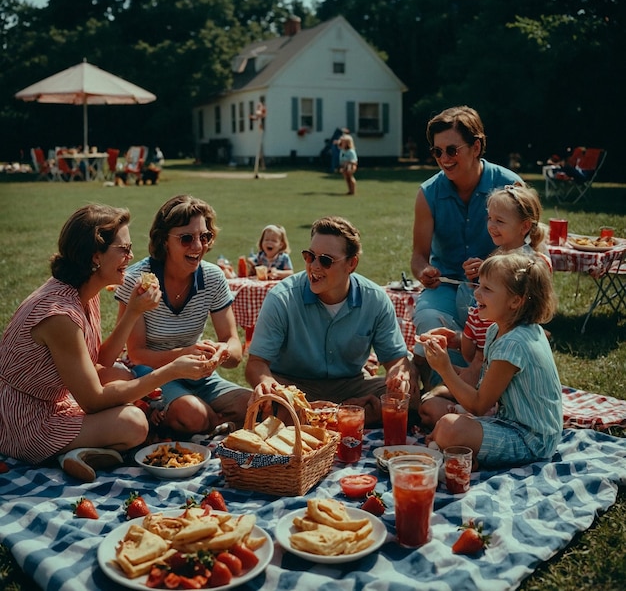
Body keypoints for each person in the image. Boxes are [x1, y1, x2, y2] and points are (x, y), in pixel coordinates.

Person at [0, 204, 214, 482]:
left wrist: (135, 311)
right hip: (23, 421)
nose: (131, 256)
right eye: (123, 250)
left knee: (119, 375)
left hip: (53, 401)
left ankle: (78, 452)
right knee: (134, 423)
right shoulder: (59, 315)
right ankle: (64, 452)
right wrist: (173, 370)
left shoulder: (84, 291)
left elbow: (99, 361)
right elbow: (92, 401)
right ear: (95, 257)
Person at [245, 216, 415, 425]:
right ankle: (350, 415)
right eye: (309, 256)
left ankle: (326, 417)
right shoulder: (282, 297)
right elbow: (256, 364)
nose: (314, 266)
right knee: (273, 404)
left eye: (325, 260)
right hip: (294, 388)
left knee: (409, 399)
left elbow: (396, 359)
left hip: (351, 384)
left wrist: (400, 375)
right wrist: (267, 382)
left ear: (351, 264)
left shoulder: (374, 299)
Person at [115, 195, 251, 436]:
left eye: (205, 237)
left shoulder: (213, 277)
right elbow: (136, 355)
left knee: (256, 407)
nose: (198, 246)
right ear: (164, 240)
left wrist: (222, 352)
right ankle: (191, 420)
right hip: (151, 373)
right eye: (186, 238)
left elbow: (234, 348)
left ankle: (206, 422)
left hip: (198, 372)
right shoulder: (138, 280)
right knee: (193, 414)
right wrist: (184, 355)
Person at [419, 182, 552, 426]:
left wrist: (448, 367)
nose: (491, 225)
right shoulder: (499, 255)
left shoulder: (531, 264)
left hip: (498, 395)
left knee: (440, 417)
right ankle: (449, 406)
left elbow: (529, 310)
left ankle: (458, 414)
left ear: (524, 226)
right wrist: (457, 340)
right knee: (428, 404)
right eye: (490, 218)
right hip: (482, 352)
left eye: (499, 221)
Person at [410, 105, 522, 390]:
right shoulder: (428, 193)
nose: (444, 159)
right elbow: (418, 257)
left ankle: (487, 391)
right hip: (447, 285)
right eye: (437, 152)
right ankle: (442, 394)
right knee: (427, 318)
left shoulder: (509, 186)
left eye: (451, 150)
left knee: (495, 327)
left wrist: (492, 267)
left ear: (476, 146)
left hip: (500, 289)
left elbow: (531, 255)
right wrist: (424, 271)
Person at [417, 253, 562, 469]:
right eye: (479, 285)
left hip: (532, 440)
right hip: (506, 421)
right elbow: (482, 384)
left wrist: (445, 369)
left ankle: (456, 451)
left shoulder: (514, 344)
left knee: (448, 427)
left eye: (487, 289)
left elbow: (478, 405)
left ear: (515, 301)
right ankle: (460, 453)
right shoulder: (498, 329)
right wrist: (454, 342)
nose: (476, 293)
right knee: (432, 410)